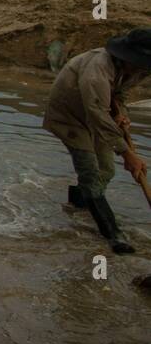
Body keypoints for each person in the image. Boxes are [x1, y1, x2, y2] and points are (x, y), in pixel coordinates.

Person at [43, 28, 151, 254]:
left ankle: (77, 205)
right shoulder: (97, 70)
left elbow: (119, 94)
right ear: (127, 56)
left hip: (98, 115)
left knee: (106, 171)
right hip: (70, 117)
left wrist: (121, 114)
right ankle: (113, 236)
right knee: (91, 173)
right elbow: (97, 114)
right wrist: (128, 154)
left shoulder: (136, 68)